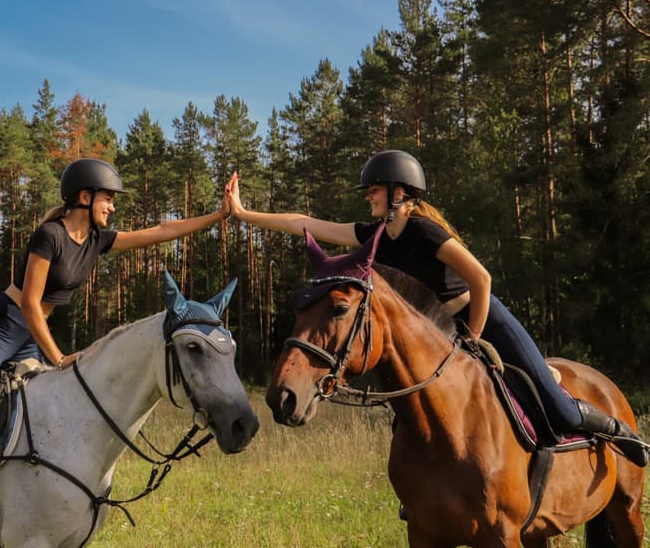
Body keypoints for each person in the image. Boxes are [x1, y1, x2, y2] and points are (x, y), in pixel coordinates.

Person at [0, 158, 231, 546]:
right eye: (108, 199)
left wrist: (218, 214)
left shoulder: (97, 240)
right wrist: (59, 357)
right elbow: (30, 304)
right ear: (85, 197)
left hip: (32, 335)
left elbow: (163, 230)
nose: (112, 207)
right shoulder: (49, 235)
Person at [226, 149, 647, 467]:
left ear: (398, 192)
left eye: (374, 188)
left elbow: (481, 280)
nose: (368, 196)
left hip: (481, 321)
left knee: (556, 408)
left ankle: (616, 430)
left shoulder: (425, 231)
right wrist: (245, 214)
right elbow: (307, 223)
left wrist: (474, 338)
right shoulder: (374, 234)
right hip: (434, 335)